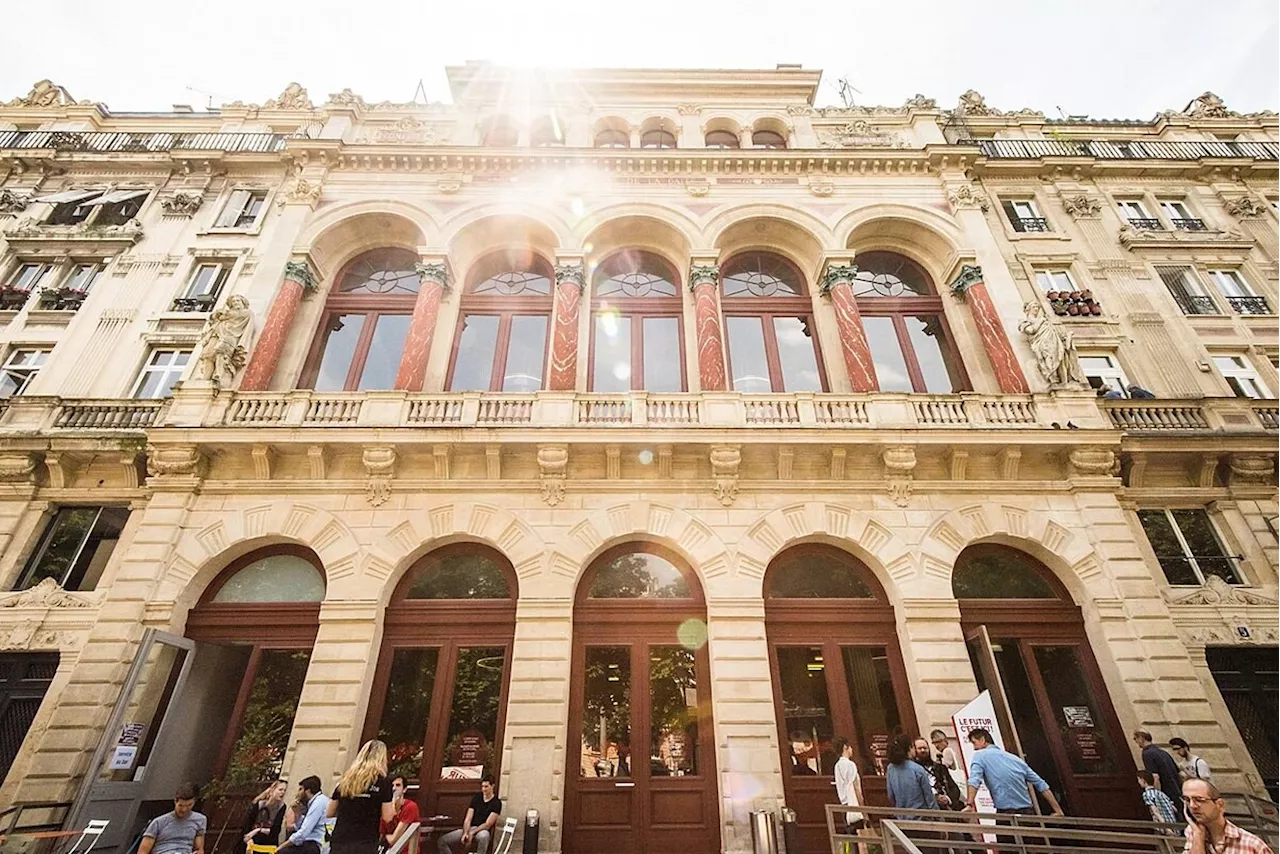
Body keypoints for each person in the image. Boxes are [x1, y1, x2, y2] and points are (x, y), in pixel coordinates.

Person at [965, 728, 1064, 816]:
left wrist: (969, 804)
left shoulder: (980, 756)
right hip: (1028, 813)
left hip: (1006, 813)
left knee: (1007, 835)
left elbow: (974, 780)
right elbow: (1041, 784)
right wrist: (1058, 810)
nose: (974, 748)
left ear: (982, 740)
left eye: (974, 743)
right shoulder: (1016, 759)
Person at [326, 740, 395, 854]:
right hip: (365, 840)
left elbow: (329, 812)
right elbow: (388, 817)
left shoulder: (345, 781)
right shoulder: (383, 783)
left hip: (341, 839)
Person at [1181, 778, 1273, 854]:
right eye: (1187, 800)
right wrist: (1198, 836)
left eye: (1199, 800)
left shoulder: (1252, 845)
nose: (1192, 806)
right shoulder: (1192, 833)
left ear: (1220, 805)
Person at [438, 774, 502, 854]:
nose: (483, 789)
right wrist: (466, 832)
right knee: (442, 841)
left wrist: (473, 832)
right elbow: (468, 818)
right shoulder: (477, 797)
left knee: (484, 836)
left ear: (492, 786)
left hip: (482, 830)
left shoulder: (496, 802)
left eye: (486, 787)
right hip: (470, 828)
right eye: (482, 786)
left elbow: (488, 824)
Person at [139, 783, 207, 854]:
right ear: (175, 801)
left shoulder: (200, 820)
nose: (184, 809)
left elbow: (199, 849)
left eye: (189, 805)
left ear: (194, 802)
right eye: (180, 805)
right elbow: (143, 851)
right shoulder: (159, 822)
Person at [886, 734, 938, 819]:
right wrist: (938, 817)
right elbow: (929, 797)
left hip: (902, 818)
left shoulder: (890, 768)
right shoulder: (917, 769)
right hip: (921, 818)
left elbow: (891, 796)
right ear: (909, 748)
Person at [276, 776, 329, 854]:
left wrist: (281, 847)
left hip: (316, 845)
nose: (298, 793)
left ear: (308, 790)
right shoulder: (314, 803)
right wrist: (297, 813)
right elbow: (300, 828)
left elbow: (303, 833)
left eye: (300, 789)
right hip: (310, 843)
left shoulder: (318, 803)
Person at [1134, 730, 1184, 807]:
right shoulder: (1163, 752)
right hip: (1178, 792)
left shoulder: (1147, 754)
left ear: (1141, 738)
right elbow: (1181, 774)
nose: (1136, 741)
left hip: (1167, 793)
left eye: (1135, 738)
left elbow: (1155, 777)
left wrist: (1158, 799)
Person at [238, 779, 287, 854]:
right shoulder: (259, 804)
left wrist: (258, 830)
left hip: (267, 842)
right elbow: (247, 824)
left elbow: (276, 829)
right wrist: (248, 838)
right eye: (280, 790)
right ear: (272, 791)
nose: (282, 792)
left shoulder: (281, 807)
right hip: (251, 839)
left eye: (284, 790)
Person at [914, 736, 963, 811]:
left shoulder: (940, 768)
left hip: (946, 809)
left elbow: (954, 789)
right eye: (920, 748)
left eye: (925, 748)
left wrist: (947, 798)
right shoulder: (912, 771)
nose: (923, 750)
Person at [832, 736, 865, 834]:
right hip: (854, 803)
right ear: (845, 747)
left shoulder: (837, 766)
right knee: (860, 833)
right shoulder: (850, 765)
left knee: (850, 833)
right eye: (850, 747)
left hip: (844, 804)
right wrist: (862, 806)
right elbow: (855, 786)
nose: (852, 749)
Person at [381, 775, 421, 849]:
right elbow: (380, 834)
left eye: (398, 785)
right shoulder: (384, 808)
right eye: (391, 785)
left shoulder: (410, 807)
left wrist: (384, 838)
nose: (394, 788)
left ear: (404, 789)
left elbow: (393, 839)